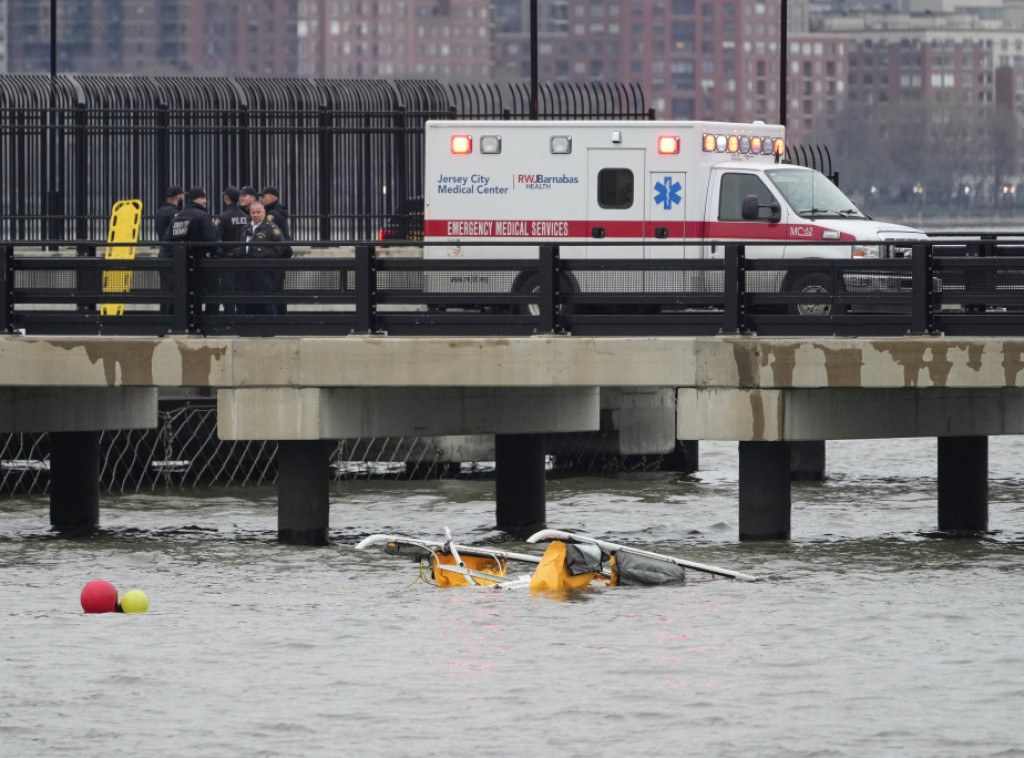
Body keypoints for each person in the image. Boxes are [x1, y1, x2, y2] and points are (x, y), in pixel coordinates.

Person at [163, 187, 219, 314]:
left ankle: (180, 322)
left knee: (183, 293)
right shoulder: (202, 215)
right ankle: (209, 322)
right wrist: (218, 251)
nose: (205, 201)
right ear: (199, 199)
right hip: (199, 262)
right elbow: (211, 239)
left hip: (180, 263)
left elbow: (169, 238)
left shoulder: (179, 216)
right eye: (203, 198)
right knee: (212, 291)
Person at [239, 201, 290, 315]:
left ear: (264, 212)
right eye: (253, 212)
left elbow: (280, 247)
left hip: (265, 270)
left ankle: (269, 329)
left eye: (258, 212)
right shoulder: (246, 227)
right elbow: (242, 246)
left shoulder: (271, 228)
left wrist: (262, 253)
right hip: (247, 270)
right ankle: (250, 329)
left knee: (267, 301)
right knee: (248, 301)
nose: (255, 215)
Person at [211, 186, 250, 315]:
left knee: (228, 290)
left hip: (227, 259)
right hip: (242, 259)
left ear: (226, 198)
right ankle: (242, 316)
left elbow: (217, 239)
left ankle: (229, 317)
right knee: (241, 290)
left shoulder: (223, 217)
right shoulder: (245, 216)